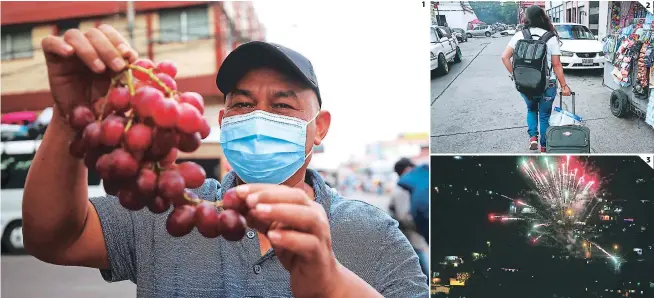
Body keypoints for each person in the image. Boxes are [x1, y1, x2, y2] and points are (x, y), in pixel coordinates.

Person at [22, 25, 428, 297]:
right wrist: (67, 116)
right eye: (243, 104)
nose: (258, 118)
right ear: (223, 120)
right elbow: (57, 238)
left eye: (282, 105)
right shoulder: (172, 206)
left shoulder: (373, 234)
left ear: (319, 127)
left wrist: (334, 286)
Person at [501, 5, 572, 153]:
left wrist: (516, 76)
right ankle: (544, 147)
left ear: (526, 18)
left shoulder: (519, 35)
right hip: (548, 84)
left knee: (531, 109)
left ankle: (533, 138)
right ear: (542, 17)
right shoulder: (550, 37)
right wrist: (564, 85)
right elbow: (557, 64)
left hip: (525, 83)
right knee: (545, 115)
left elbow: (505, 57)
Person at [389, 158, 429, 276]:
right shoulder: (403, 189)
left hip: (414, 236)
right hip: (412, 238)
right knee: (422, 271)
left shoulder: (408, 186)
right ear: (407, 169)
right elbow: (405, 216)